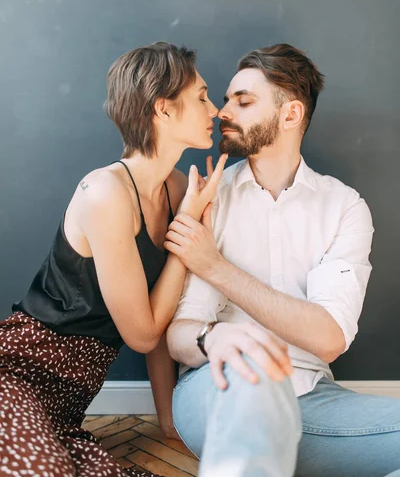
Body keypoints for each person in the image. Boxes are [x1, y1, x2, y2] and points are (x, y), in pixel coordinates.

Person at [166, 43, 400, 477]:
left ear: (290, 115)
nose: (222, 112)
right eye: (225, 99)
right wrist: (210, 339)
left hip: (313, 397)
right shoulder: (208, 198)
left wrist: (215, 266)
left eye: (243, 101)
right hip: (221, 384)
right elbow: (178, 335)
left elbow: (329, 338)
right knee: (253, 377)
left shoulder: (345, 207)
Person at [0, 42, 227, 477]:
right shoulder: (105, 192)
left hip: (66, 405)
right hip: (17, 373)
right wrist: (188, 229)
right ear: (163, 109)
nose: (214, 110)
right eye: (201, 97)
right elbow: (142, 333)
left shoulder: (177, 188)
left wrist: (167, 419)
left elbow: (161, 313)